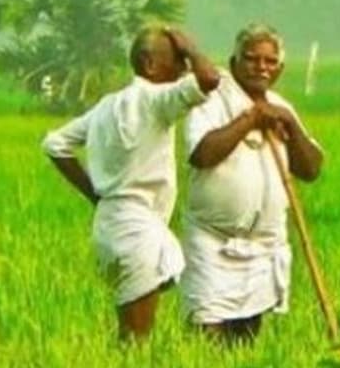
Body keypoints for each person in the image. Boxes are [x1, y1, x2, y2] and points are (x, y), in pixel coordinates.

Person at [41, 26, 219, 341]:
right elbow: (209, 79)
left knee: (131, 333)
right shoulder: (155, 99)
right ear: (150, 64)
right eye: (176, 60)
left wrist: (96, 195)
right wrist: (191, 48)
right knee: (136, 341)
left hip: (110, 224)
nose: (182, 69)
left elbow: (55, 144)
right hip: (139, 233)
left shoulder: (107, 106)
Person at [180, 22, 324, 343]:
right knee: (207, 335)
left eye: (270, 61)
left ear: (280, 69)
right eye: (252, 58)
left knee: (246, 339)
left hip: (262, 246)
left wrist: (288, 124)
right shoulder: (211, 100)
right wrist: (250, 120)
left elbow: (311, 168)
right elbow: (202, 154)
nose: (261, 67)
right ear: (235, 62)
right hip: (213, 242)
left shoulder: (282, 107)